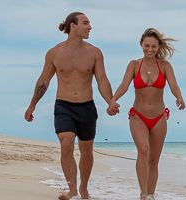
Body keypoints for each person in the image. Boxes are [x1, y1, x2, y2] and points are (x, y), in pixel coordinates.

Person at [24, 11, 118, 200]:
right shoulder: (54, 53)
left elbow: (102, 79)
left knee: (86, 150)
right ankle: (72, 189)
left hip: (87, 107)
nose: (90, 26)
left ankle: (83, 188)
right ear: (72, 26)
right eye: (85, 23)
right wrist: (32, 105)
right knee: (66, 144)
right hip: (64, 106)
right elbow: (43, 81)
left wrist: (110, 101)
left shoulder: (94, 52)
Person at [111, 28, 186, 200]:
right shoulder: (134, 65)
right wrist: (113, 99)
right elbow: (124, 85)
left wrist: (179, 97)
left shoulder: (165, 66)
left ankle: (151, 195)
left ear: (158, 47)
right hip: (138, 116)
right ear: (141, 45)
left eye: (153, 46)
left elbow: (174, 86)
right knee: (143, 150)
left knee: (154, 160)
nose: (150, 50)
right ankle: (143, 194)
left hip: (159, 118)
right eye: (146, 46)